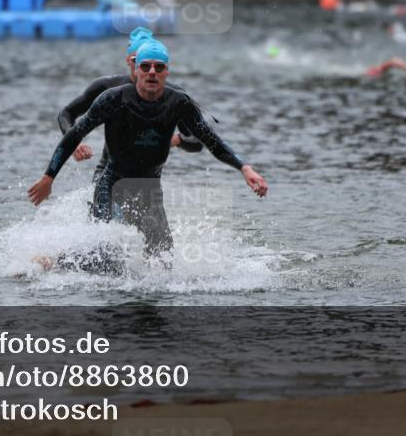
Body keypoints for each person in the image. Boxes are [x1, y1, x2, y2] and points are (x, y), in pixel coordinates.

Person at [29, 39, 267, 272]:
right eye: (145, 67)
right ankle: (56, 262)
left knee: (163, 261)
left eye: (159, 67)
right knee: (105, 256)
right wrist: (49, 177)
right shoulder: (113, 99)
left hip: (149, 188)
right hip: (112, 184)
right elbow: (74, 134)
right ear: (136, 70)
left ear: (167, 72)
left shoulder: (179, 102)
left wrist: (244, 168)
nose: (152, 72)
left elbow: (211, 141)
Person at [57, 27, 202, 182]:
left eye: (149, 63)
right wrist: (73, 142)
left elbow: (197, 141)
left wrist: (172, 140)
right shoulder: (108, 88)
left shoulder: (175, 96)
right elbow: (66, 114)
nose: (143, 68)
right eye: (137, 61)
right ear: (129, 61)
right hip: (108, 174)